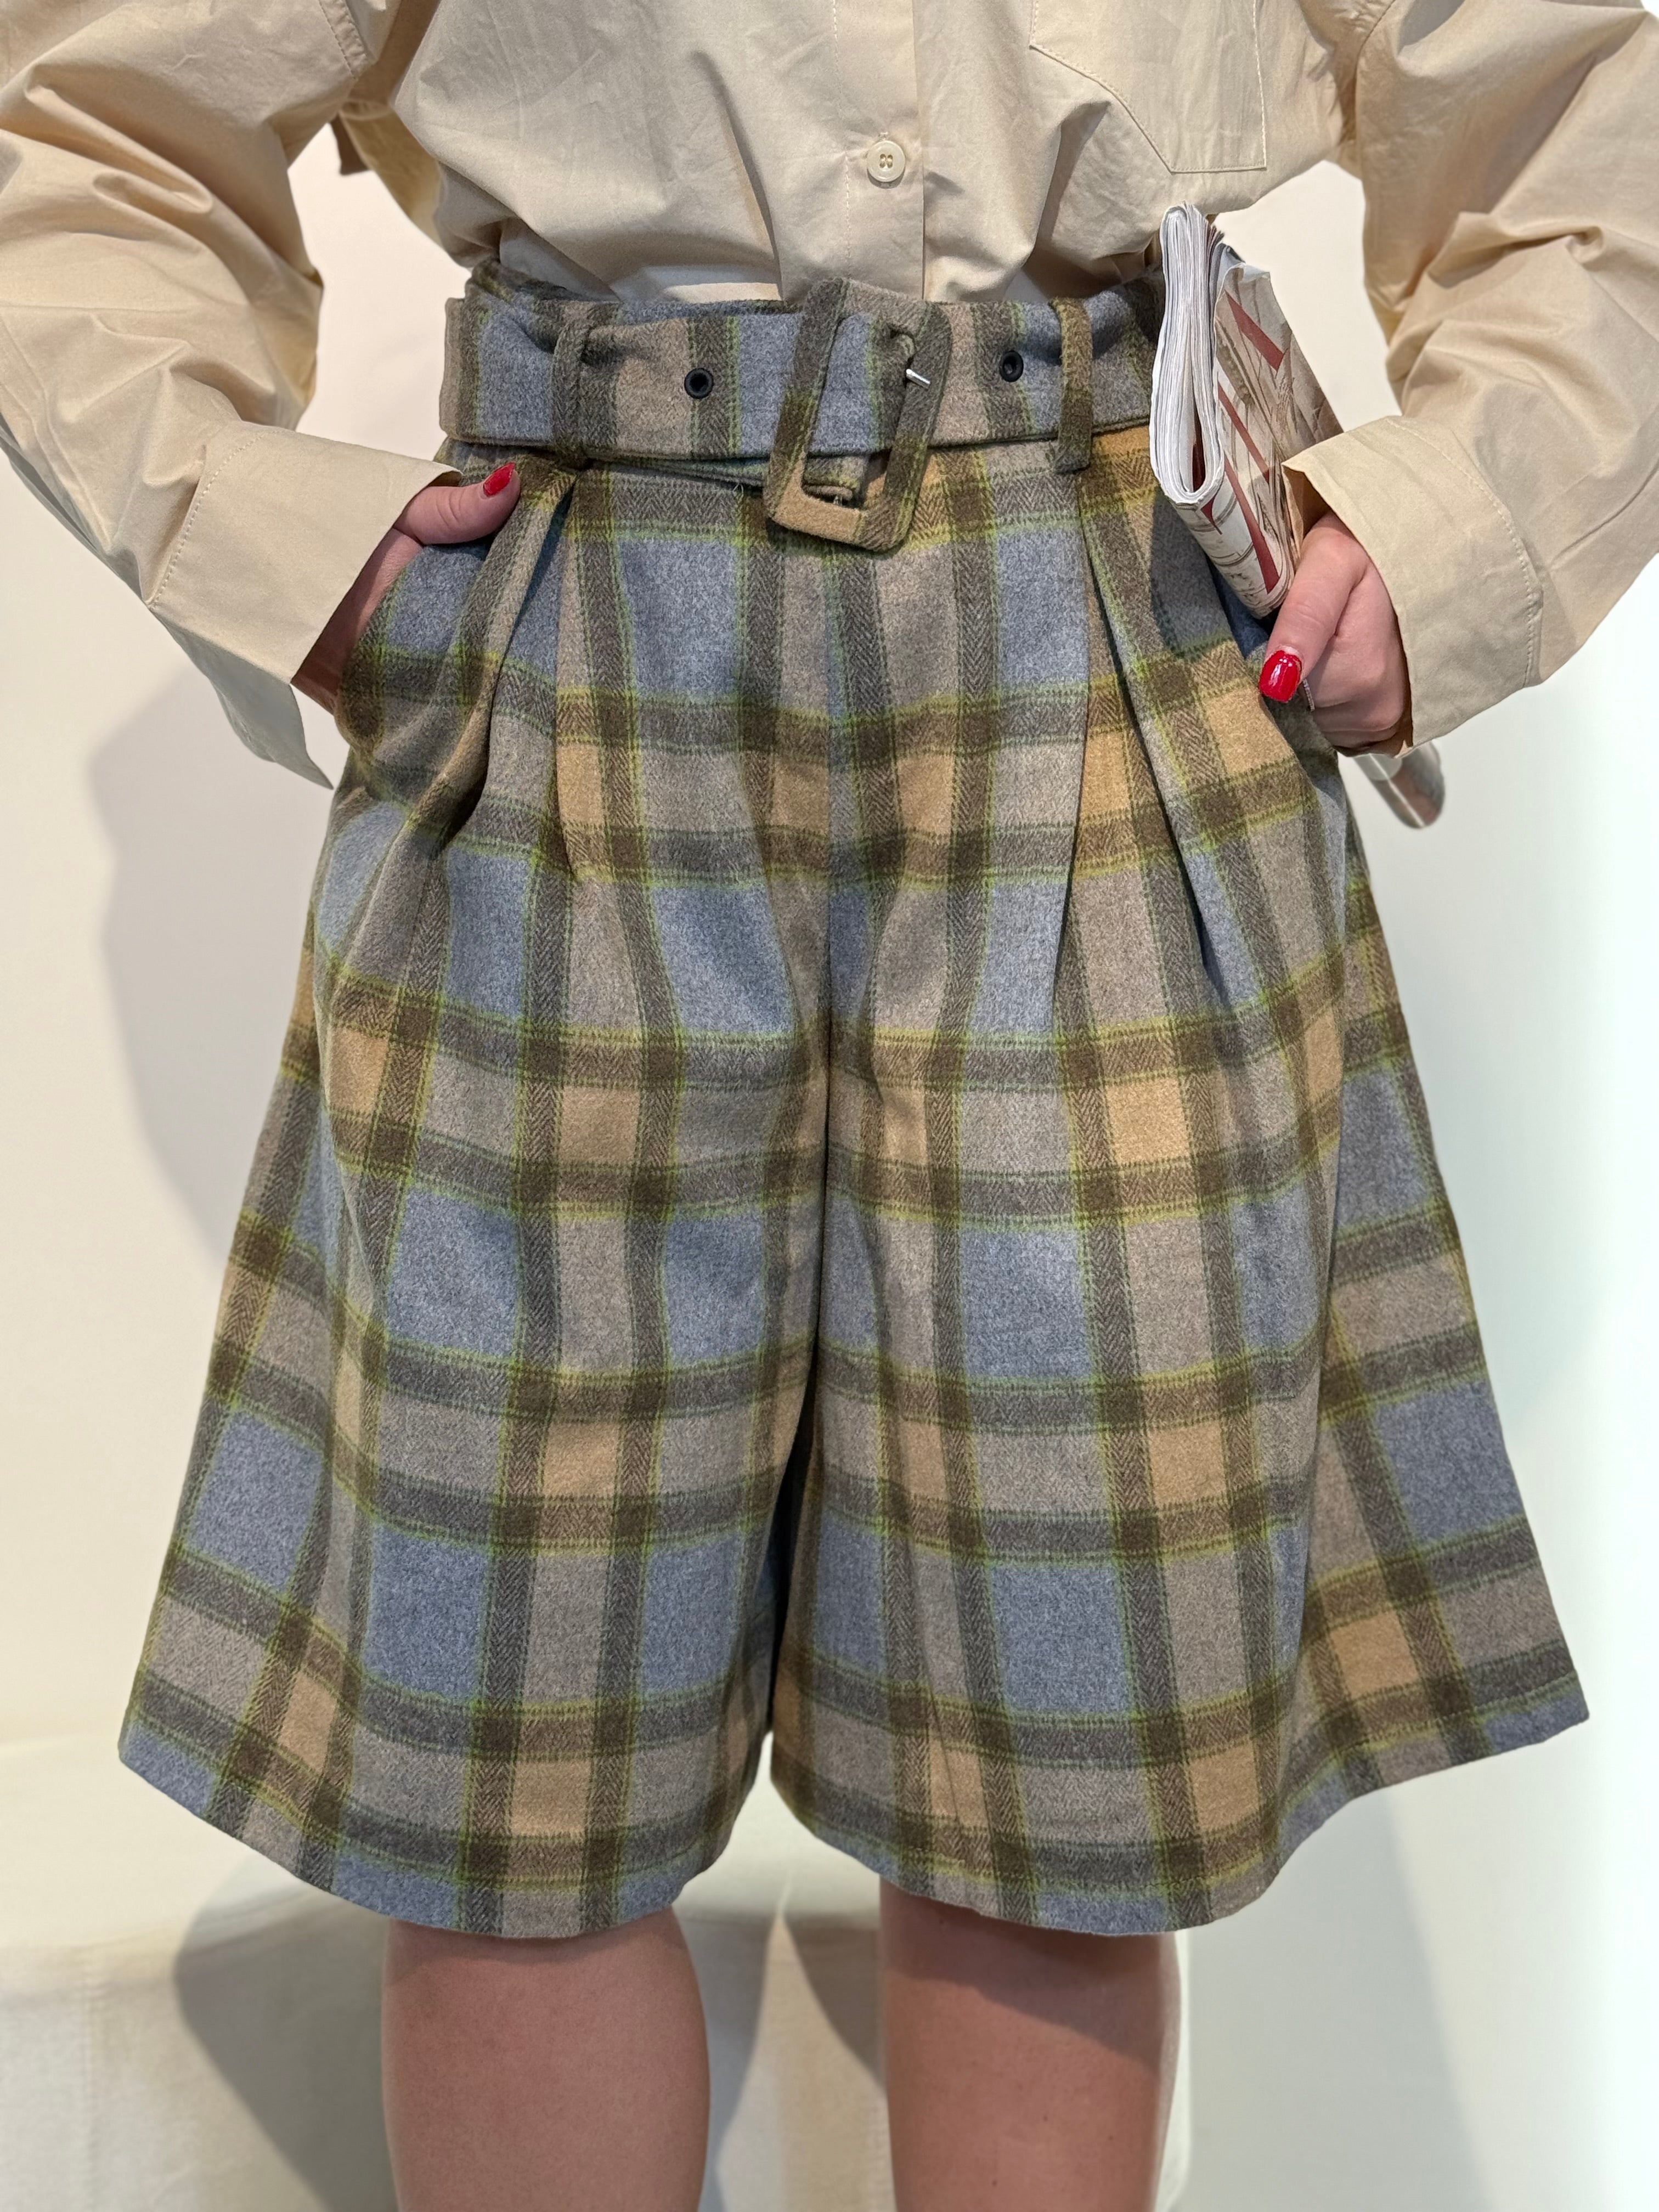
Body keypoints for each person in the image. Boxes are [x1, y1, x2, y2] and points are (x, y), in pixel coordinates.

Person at [1, 4, 1653, 2207]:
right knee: (512, 1778)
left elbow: (1582, 106)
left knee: (1059, 1771)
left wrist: (1466, 520)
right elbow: (85, 128)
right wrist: (275, 538)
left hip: (1118, 633)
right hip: (581, 631)